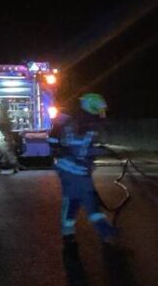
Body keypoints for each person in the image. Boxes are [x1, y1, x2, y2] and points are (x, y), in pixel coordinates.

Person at [49, 93, 117, 246]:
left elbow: (79, 148)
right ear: (91, 108)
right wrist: (100, 151)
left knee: (78, 199)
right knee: (82, 200)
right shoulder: (81, 124)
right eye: (99, 110)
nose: (102, 114)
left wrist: (98, 151)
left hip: (75, 170)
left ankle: (71, 234)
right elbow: (79, 149)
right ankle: (102, 232)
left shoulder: (81, 121)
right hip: (72, 170)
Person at [0, 102, 19, 173]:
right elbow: (4, 127)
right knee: (9, 152)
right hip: (3, 137)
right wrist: (7, 136)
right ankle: (14, 167)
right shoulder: (3, 117)